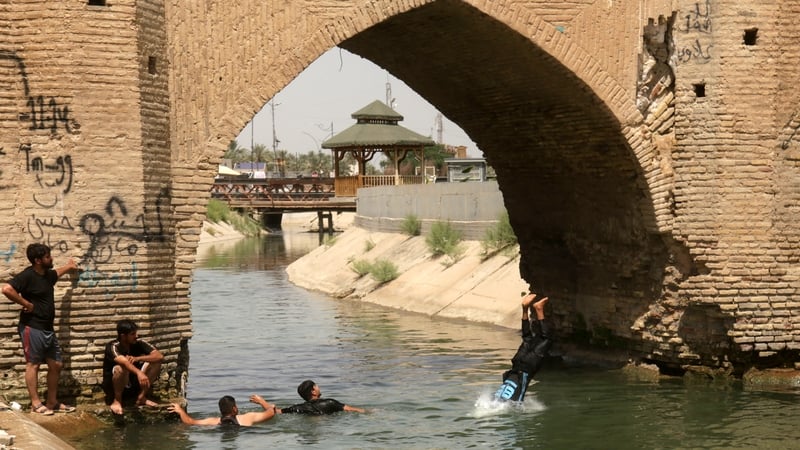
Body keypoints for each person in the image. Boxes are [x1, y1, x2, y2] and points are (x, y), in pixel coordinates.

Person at [2, 243, 78, 415]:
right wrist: (26, 303)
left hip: (48, 328)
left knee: (56, 364)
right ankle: (36, 404)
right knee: (33, 365)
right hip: (32, 327)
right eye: (47, 257)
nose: (51, 259)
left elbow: (57, 272)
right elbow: (7, 289)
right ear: (37, 260)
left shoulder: (47, 275)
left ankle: (52, 402)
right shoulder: (27, 276)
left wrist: (69, 266)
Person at [494, 293, 552, 402]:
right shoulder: (498, 395)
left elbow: (519, 397)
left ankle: (539, 309)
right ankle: (525, 309)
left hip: (527, 366)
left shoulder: (509, 402)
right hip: (515, 365)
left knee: (547, 339)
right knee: (527, 338)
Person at [102, 319, 164, 414]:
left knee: (156, 363)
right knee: (120, 368)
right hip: (116, 386)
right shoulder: (113, 346)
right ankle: (117, 401)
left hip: (135, 383)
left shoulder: (138, 343)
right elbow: (124, 362)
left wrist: (137, 358)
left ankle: (141, 397)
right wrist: (139, 373)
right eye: (132, 334)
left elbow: (159, 356)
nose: (136, 336)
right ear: (123, 336)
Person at [168, 395, 277, 426]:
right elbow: (271, 412)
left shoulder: (214, 421)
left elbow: (190, 422)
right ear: (234, 408)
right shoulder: (247, 417)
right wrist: (262, 402)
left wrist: (180, 411)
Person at [278, 379, 365, 415]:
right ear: (313, 391)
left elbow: (276, 411)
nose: (319, 387)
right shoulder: (329, 402)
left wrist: (263, 402)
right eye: (316, 386)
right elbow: (351, 409)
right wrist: (370, 412)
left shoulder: (298, 407)